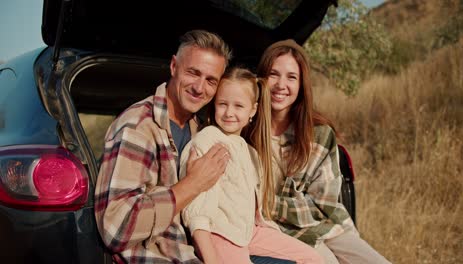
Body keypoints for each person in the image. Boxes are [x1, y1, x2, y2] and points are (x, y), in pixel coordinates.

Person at [94, 29, 233, 263]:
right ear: (173, 66)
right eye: (193, 73)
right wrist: (194, 183)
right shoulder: (138, 127)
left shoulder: (200, 130)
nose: (200, 88)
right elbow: (116, 229)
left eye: (211, 80)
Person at [256, 39, 391, 264]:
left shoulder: (318, 133)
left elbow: (323, 204)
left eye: (291, 77)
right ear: (261, 78)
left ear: (301, 85)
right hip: (284, 232)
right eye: (273, 74)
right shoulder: (247, 132)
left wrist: (270, 204)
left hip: (329, 225)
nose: (281, 85)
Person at [179, 67, 324, 264]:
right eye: (223, 104)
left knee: (314, 259)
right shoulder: (208, 141)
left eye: (238, 106)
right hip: (220, 235)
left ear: (253, 110)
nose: (229, 112)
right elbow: (198, 211)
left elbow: (253, 210)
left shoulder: (250, 153)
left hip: (250, 232)